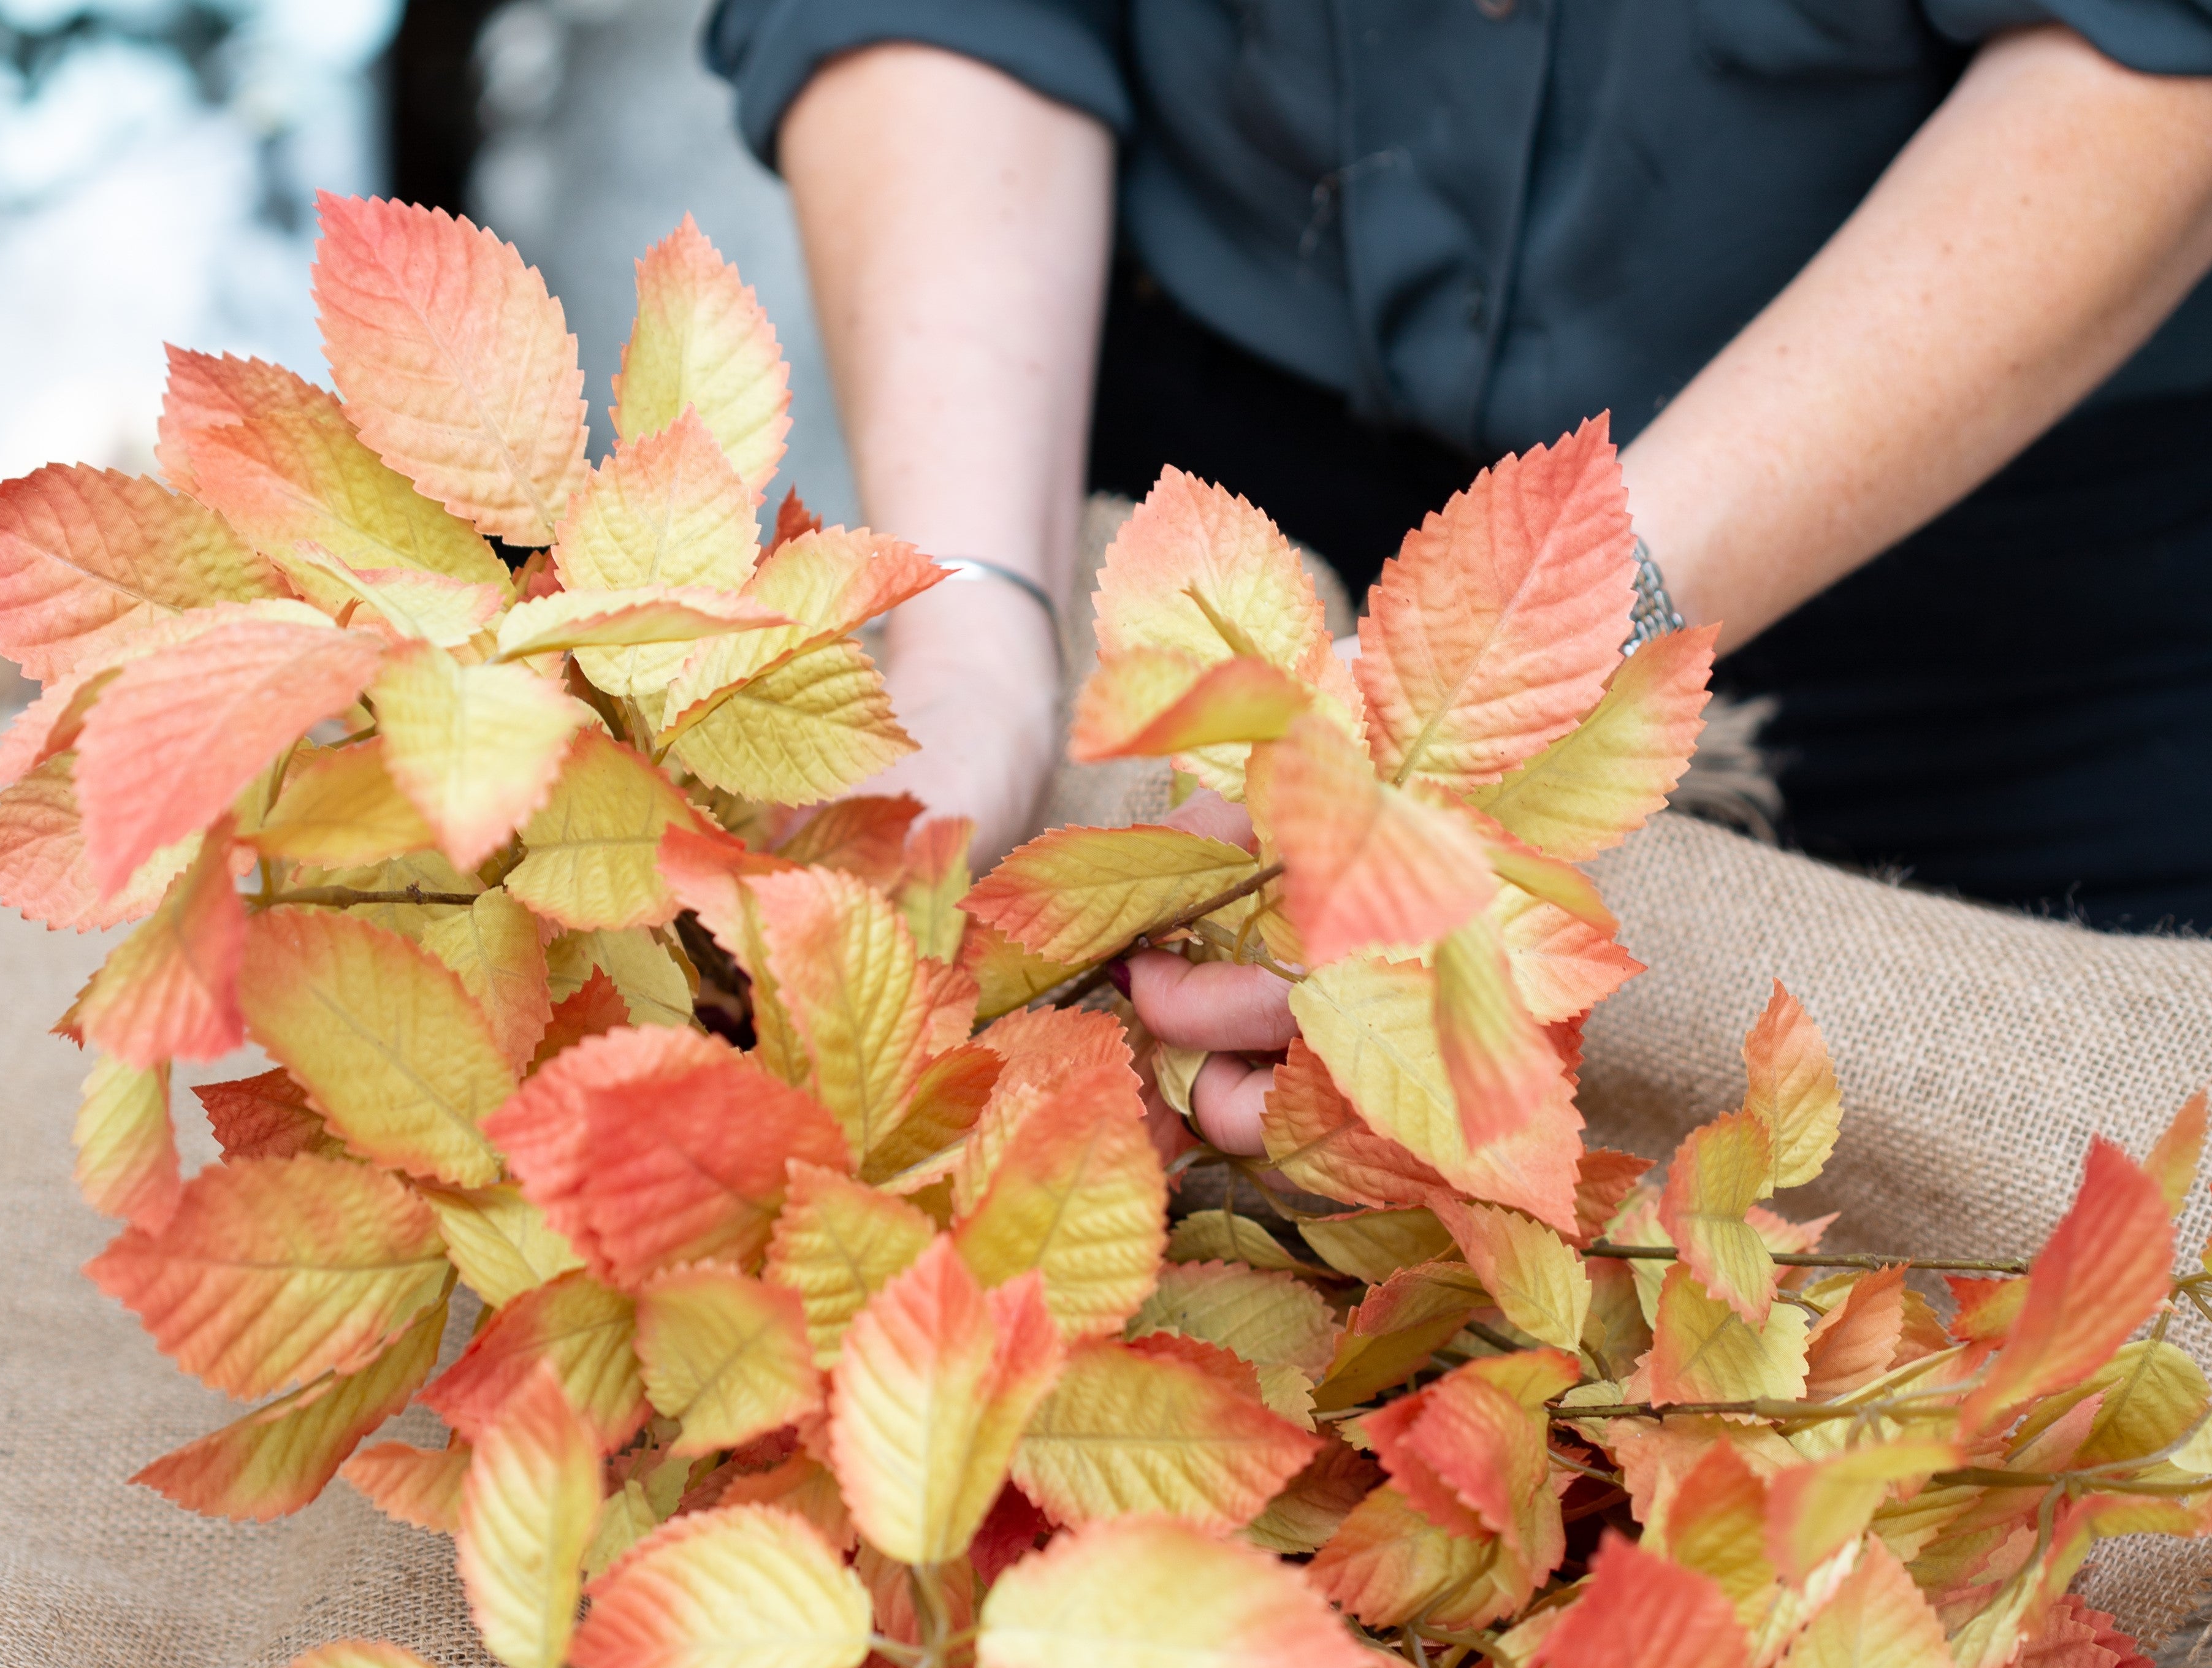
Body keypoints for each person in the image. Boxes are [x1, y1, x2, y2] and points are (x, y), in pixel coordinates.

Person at [706, 5, 2212, 1152]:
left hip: (2016, 580)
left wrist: (1521, 650)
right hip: (1198, 471)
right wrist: (974, 622)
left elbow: (2153, 53)